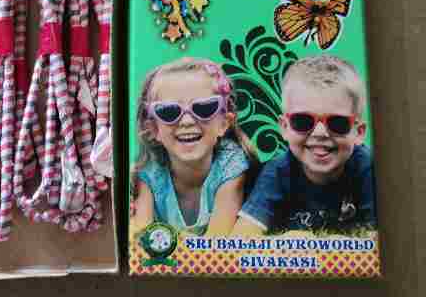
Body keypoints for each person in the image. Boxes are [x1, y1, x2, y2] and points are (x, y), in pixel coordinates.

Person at [234, 54, 377, 235]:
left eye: (337, 122)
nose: (320, 133)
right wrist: (283, 243)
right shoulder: (277, 172)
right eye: (302, 121)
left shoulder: (368, 169)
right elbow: (241, 239)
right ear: (284, 127)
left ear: (359, 132)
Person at [130, 57, 256, 237]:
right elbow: (143, 240)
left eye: (204, 108)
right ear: (153, 129)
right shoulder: (149, 172)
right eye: (168, 111)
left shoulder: (231, 164)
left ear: (224, 123)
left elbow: (217, 241)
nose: (187, 121)